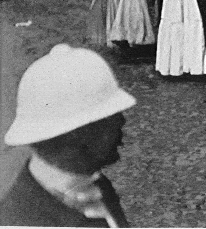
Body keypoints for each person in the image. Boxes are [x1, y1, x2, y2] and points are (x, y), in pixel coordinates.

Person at [0, 44, 136, 226]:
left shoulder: (95, 184)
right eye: (110, 117)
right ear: (75, 133)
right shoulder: (21, 219)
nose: (122, 122)